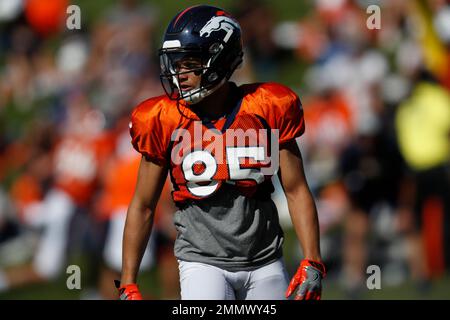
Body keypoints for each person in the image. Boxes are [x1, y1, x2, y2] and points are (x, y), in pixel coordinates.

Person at [116, 5, 325, 300]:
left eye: (189, 63)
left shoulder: (267, 108)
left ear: (220, 58)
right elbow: (143, 205)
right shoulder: (163, 120)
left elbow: (296, 189)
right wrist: (128, 282)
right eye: (176, 64)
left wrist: (312, 259)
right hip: (202, 262)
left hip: (265, 260)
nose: (180, 74)